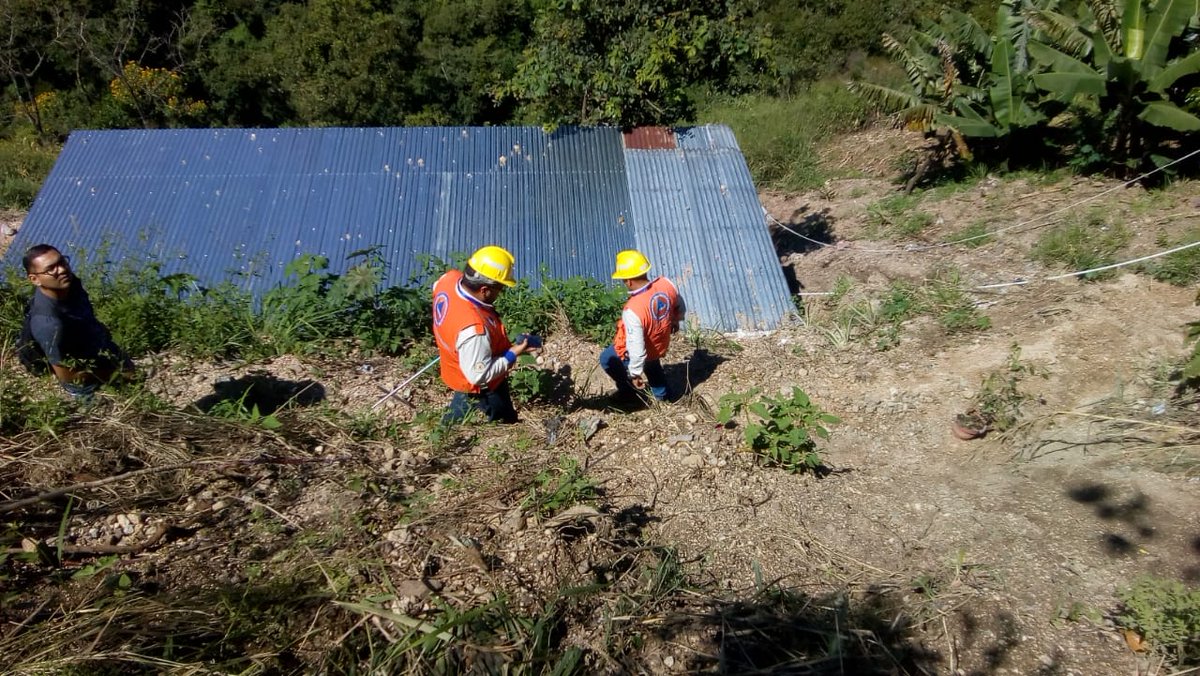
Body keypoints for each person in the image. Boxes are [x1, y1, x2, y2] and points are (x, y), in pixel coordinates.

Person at [431, 245, 535, 423]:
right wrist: (512, 354)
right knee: (477, 418)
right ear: (485, 290)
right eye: (500, 288)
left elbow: (436, 288)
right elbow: (479, 376)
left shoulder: (448, 279)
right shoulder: (474, 330)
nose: (501, 293)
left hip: (457, 363)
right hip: (477, 387)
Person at [20, 244, 134, 398]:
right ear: (35, 279)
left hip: (91, 344)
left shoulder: (69, 283)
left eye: (62, 262)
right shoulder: (49, 324)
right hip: (79, 376)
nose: (62, 270)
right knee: (100, 409)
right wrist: (114, 374)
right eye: (51, 269)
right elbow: (69, 376)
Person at [600, 249, 685, 403]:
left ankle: (628, 391)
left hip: (644, 348)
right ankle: (663, 398)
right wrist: (676, 320)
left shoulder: (633, 309)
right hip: (659, 343)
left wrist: (635, 373)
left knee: (606, 358)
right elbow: (679, 304)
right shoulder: (667, 284)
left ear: (628, 281)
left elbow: (636, 346)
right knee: (653, 367)